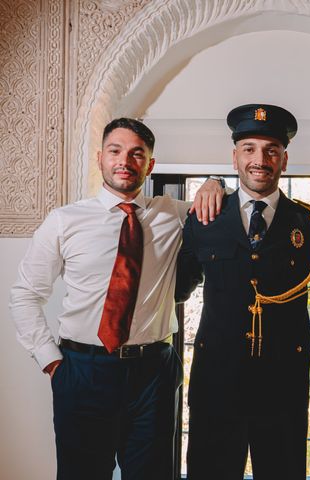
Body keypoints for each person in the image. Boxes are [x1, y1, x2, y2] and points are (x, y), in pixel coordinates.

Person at [9, 118, 223, 480]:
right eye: (116, 151)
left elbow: (226, 206)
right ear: (100, 158)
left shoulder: (173, 214)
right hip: (82, 370)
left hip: (153, 371)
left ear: (150, 164)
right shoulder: (64, 221)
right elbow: (25, 295)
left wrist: (214, 183)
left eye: (137, 153)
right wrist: (53, 364)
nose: (125, 160)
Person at [176, 103, 310, 480]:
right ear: (234, 158)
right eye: (249, 148)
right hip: (216, 382)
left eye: (271, 150)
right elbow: (175, 289)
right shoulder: (205, 217)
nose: (259, 159)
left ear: (284, 159)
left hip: (283, 385)